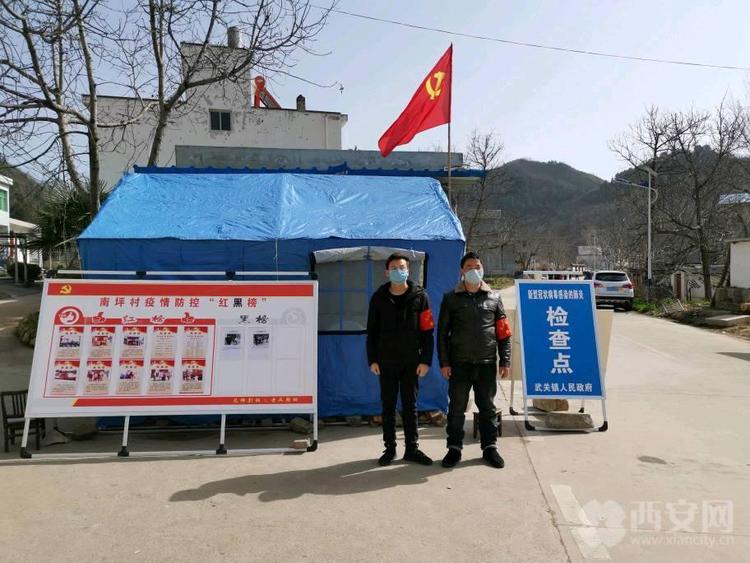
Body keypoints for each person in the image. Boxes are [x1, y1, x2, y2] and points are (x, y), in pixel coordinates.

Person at [437, 252, 512, 469]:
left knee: (487, 407)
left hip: (487, 363)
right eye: (469, 266)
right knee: (457, 408)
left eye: (477, 266)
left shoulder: (494, 298)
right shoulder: (451, 299)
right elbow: (442, 334)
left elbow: (503, 334)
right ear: (461, 271)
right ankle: (454, 448)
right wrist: (444, 362)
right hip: (460, 363)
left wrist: (504, 361)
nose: (474, 270)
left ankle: (489, 447)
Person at [367, 253, 435, 466]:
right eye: (394, 268)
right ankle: (390, 449)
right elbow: (372, 332)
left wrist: (425, 360)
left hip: (411, 362)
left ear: (408, 270)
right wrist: (373, 360)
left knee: (410, 405)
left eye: (402, 267)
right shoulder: (378, 297)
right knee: (388, 406)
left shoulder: (420, 296)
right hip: (386, 362)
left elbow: (427, 331)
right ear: (387, 272)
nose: (399, 271)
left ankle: (412, 449)